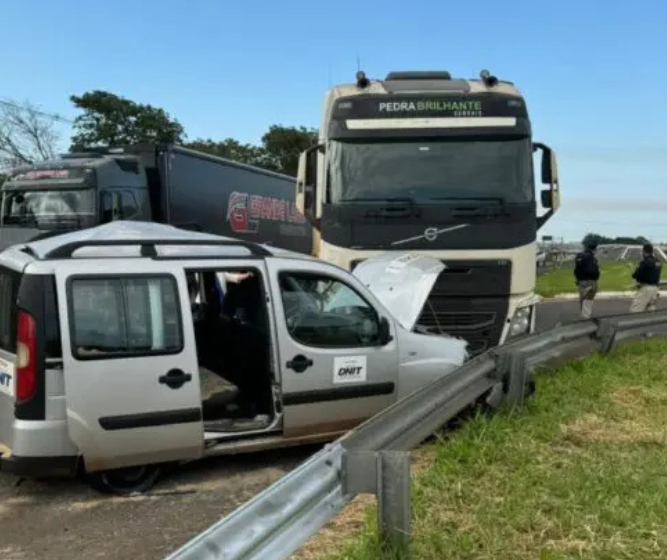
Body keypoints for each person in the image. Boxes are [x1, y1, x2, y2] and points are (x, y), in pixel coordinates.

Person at [630, 243, 662, 313]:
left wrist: (633, 273)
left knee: (635, 309)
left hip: (646, 288)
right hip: (655, 288)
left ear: (644, 251)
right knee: (651, 309)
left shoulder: (645, 262)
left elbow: (637, 274)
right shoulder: (658, 262)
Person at [574, 240, 600, 319]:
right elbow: (593, 271)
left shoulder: (579, 255)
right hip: (590, 281)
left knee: (582, 299)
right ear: (594, 249)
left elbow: (576, 270)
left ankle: (583, 317)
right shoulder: (592, 258)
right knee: (588, 301)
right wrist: (597, 276)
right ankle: (586, 318)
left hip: (580, 281)